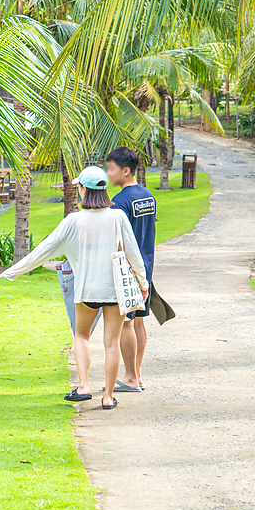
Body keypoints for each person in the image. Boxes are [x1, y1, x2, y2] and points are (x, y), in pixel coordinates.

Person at [0, 166, 147, 410]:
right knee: (112, 343)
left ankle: (84, 387)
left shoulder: (74, 220)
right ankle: (108, 397)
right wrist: (143, 284)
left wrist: (12, 272)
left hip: (87, 292)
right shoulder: (118, 217)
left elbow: (44, 249)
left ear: (83, 190)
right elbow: (134, 255)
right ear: (104, 189)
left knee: (81, 336)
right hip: (115, 293)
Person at [106, 147, 156, 393]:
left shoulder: (119, 203)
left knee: (127, 322)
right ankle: (137, 375)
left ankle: (129, 377)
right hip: (146, 268)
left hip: (127, 271)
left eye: (112, 168)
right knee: (139, 321)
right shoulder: (148, 196)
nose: (108, 173)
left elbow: (118, 241)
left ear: (125, 171)